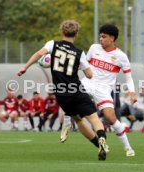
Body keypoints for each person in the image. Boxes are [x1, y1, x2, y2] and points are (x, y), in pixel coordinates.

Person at [17, 20, 109, 160]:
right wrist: (79, 66)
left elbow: (38, 54)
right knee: (94, 119)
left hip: (61, 94)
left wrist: (25, 67)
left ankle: (98, 144)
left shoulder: (52, 44)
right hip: (76, 90)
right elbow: (90, 75)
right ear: (76, 34)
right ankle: (102, 139)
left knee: (78, 120)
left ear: (62, 32)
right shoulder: (79, 53)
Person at [62, 24, 136, 156]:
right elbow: (84, 65)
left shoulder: (121, 56)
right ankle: (67, 125)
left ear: (112, 38)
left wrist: (132, 93)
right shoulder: (94, 48)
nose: (101, 39)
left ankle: (128, 148)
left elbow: (128, 78)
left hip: (104, 90)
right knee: (70, 93)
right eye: (100, 36)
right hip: (88, 83)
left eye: (104, 37)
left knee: (110, 118)